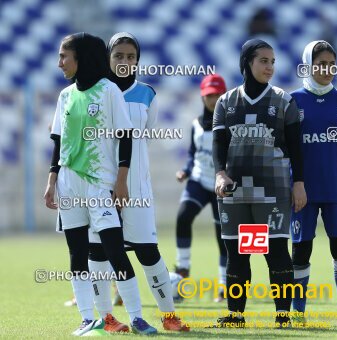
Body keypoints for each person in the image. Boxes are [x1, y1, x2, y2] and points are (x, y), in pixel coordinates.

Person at [43, 32, 151, 335]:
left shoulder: (108, 91)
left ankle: (137, 317)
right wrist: (51, 182)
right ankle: (87, 318)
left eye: (65, 56)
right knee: (77, 253)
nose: (59, 62)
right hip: (68, 185)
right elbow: (58, 142)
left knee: (115, 251)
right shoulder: (65, 96)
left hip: (99, 185)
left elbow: (125, 136)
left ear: (82, 57)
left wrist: (121, 180)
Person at [86, 32, 189, 333]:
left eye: (131, 57)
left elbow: (145, 133)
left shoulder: (147, 94)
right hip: (99, 185)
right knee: (98, 252)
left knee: (147, 250)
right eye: (118, 55)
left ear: (137, 61)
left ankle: (169, 317)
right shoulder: (94, 92)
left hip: (137, 188)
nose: (125, 61)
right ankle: (107, 318)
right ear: (108, 58)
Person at [212, 38, 307, 328]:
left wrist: (299, 182)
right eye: (263, 61)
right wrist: (219, 173)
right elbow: (218, 144)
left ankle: (283, 317)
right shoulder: (226, 102)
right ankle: (236, 316)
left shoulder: (282, 100)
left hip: (272, 192)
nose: (269, 67)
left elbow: (296, 146)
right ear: (247, 63)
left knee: (274, 251)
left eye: (272, 62)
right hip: (236, 192)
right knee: (238, 254)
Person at [289, 40, 337, 328]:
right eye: (321, 63)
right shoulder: (293, 100)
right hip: (302, 191)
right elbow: (288, 146)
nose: (327, 69)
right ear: (307, 64)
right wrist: (297, 181)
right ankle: (297, 312)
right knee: (301, 251)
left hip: (336, 189)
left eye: (332, 63)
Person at [174, 74, 228, 303]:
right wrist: (185, 171)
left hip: (221, 185)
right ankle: (182, 273)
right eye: (209, 95)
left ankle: (225, 285)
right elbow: (192, 153)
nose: (213, 99)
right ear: (202, 96)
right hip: (198, 180)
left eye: (217, 95)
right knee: (183, 217)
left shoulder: (231, 124)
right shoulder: (196, 124)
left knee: (223, 236)